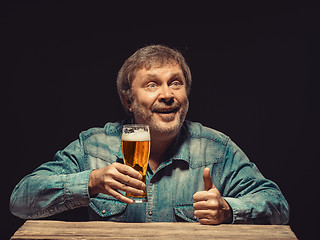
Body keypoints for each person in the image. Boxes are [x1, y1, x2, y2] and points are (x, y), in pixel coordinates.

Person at [10, 45, 289, 224]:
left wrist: (229, 210)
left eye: (175, 83)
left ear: (186, 94)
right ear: (129, 101)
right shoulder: (94, 147)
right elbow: (21, 201)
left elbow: (277, 206)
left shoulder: (216, 149)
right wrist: (90, 181)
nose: (167, 95)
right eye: (152, 85)